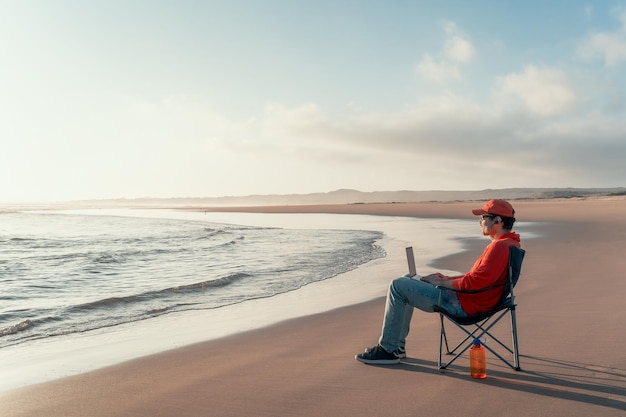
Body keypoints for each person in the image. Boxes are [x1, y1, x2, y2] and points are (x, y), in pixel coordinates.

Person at [355, 199, 521, 364]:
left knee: (397, 286)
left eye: (484, 217)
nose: (480, 221)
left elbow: (474, 282)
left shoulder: (499, 247)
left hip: (464, 305)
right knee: (407, 278)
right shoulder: (509, 243)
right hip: (474, 300)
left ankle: (388, 350)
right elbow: (476, 278)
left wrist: (441, 284)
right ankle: (396, 347)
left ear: (498, 221)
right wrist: (444, 278)